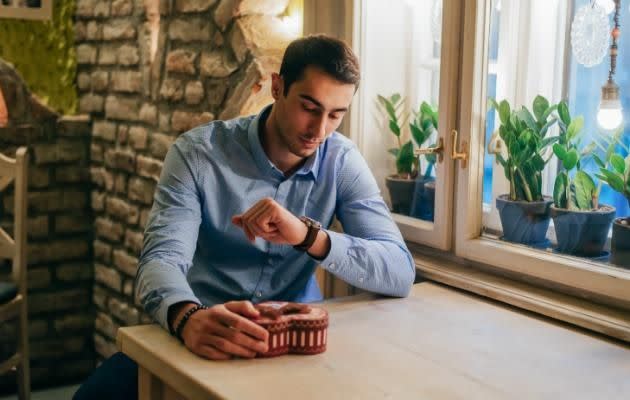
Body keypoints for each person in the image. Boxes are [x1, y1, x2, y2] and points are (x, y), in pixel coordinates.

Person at [74, 34, 415, 400]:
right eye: (310, 107)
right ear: (277, 87)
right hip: (199, 329)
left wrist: (306, 235)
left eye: (336, 115)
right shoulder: (197, 154)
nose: (320, 130)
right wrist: (187, 317)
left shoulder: (343, 162)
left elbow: (399, 270)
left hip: (292, 347)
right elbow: (160, 260)